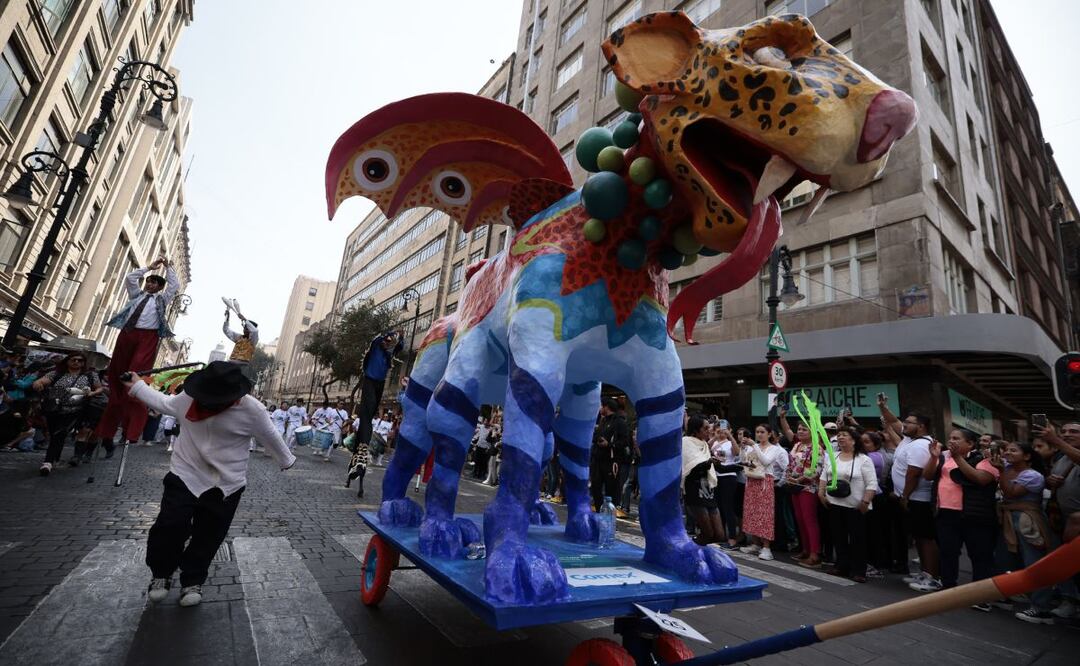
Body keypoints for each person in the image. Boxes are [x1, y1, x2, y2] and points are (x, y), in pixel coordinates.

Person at [124, 361, 295, 607]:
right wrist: (137, 386)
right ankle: (161, 574)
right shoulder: (188, 398)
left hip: (227, 483)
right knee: (170, 525)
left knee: (209, 533)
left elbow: (271, 435)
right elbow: (164, 403)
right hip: (185, 473)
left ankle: (192, 580)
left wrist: (286, 460)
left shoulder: (252, 409)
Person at [95, 256, 179, 446]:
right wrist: (149, 268)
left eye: (154, 282)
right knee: (118, 370)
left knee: (134, 373)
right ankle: (114, 412)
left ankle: (131, 414)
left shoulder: (162, 300)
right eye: (149, 281)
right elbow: (130, 278)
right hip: (128, 333)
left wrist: (168, 268)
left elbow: (174, 286)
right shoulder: (136, 295)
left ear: (159, 287)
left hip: (148, 337)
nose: (149, 284)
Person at [919, 428, 998, 606]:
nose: (951, 441)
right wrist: (933, 457)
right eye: (950, 438)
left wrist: (958, 458)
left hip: (973, 515)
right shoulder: (943, 455)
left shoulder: (983, 458)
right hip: (945, 512)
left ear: (970, 444)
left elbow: (980, 479)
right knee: (948, 552)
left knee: (979, 555)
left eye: (957, 439)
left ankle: (979, 597)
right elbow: (928, 475)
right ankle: (948, 588)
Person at [818, 426, 878, 582]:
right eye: (839, 435)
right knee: (838, 536)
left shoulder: (864, 459)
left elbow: (872, 483)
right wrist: (821, 492)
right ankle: (841, 565)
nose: (840, 437)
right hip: (834, 504)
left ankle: (858, 570)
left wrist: (865, 501)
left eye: (844, 435)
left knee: (857, 538)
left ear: (853, 440)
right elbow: (825, 474)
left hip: (855, 506)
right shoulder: (833, 456)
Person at [889, 410, 941, 589]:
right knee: (919, 536)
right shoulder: (910, 441)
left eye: (909, 423)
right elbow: (893, 422)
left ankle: (933, 577)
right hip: (911, 497)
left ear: (921, 426)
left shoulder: (920, 445)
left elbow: (913, 473)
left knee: (926, 538)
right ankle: (924, 572)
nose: (904, 425)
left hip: (918, 498)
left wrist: (905, 495)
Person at [31, 352, 104, 476]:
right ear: (67, 361)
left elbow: (99, 388)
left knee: (59, 433)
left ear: (83, 363)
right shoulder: (56, 373)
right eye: (74, 360)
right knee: (55, 433)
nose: (76, 362)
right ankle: (55, 457)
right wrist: (38, 384)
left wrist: (92, 393)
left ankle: (47, 463)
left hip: (75, 410)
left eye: (80, 360)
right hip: (54, 409)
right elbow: (42, 381)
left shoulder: (90, 375)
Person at [779, 407, 822, 568]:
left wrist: (801, 478)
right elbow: (790, 464)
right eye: (800, 429)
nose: (801, 431)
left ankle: (814, 554)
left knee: (809, 520)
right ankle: (805, 550)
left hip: (808, 488)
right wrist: (790, 477)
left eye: (805, 429)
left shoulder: (817, 448)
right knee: (799, 519)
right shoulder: (796, 446)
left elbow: (816, 470)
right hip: (794, 487)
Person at [740, 424, 785, 561]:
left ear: (770, 434)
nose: (759, 434)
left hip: (765, 481)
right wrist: (743, 448)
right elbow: (744, 462)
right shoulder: (752, 447)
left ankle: (766, 548)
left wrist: (754, 445)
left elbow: (765, 462)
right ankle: (755, 543)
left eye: (762, 432)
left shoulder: (774, 449)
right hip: (752, 480)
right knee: (752, 512)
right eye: (757, 432)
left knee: (765, 514)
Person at [355, 331, 403, 447]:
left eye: (388, 343)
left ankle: (361, 438)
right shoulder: (375, 349)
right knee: (369, 406)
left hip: (380, 384)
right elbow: (377, 339)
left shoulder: (388, 354)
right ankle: (363, 441)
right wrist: (392, 333)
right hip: (369, 381)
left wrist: (401, 338)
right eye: (385, 341)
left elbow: (399, 347)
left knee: (372, 410)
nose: (386, 344)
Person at [682, 414, 722, 545]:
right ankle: (691, 550)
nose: (709, 431)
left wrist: (740, 465)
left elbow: (715, 468)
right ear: (695, 429)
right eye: (705, 428)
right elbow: (691, 468)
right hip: (694, 490)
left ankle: (694, 545)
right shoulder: (686, 442)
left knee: (719, 535)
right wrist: (709, 462)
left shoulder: (705, 445)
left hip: (708, 491)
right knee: (708, 533)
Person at [591, 398, 632, 515]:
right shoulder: (603, 421)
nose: (599, 409)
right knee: (595, 487)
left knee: (611, 491)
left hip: (611, 462)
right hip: (598, 460)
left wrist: (609, 444)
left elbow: (625, 442)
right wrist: (598, 440)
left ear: (606, 407)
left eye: (601, 406)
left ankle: (609, 517)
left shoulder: (620, 422)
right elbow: (595, 436)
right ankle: (600, 513)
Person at [708, 421, 741, 550]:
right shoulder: (715, 442)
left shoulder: (729, 442)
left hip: (729, 477)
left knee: (728, 508)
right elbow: (707, 447)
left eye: (723, 430)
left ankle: (732, 539)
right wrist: (715, 437)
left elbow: (737, 452)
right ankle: (721, 536)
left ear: (729, 430)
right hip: (716, 476)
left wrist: (730, 436)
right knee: (718, 507)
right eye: (719, 430)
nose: (721, 432)